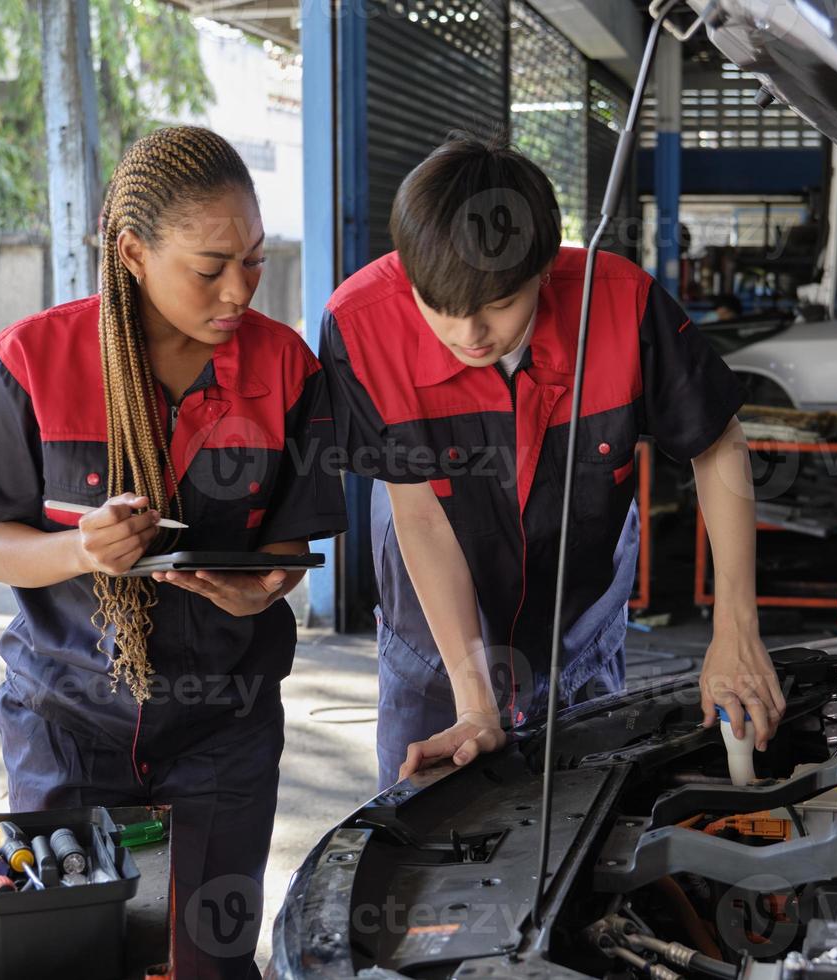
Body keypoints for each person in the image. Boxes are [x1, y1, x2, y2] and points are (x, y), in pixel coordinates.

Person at [0, 126, 346, 979]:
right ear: (134, 252)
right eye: (211, 265)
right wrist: (80, 549)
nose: (239, 290)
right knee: (70, 946)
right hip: (66, 719)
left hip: (225, 719)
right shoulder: (30, 361)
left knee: (209, 955)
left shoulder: (286, 367)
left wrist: (269, 583)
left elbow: (292, 537)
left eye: (254, 261)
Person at [320, 131, 785, 789]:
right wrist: (475, 705)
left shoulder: (621, 304)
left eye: (498, 305)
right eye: (439, 308)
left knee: (588, 820)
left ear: (542, 267)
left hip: (580, 626)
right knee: (427, 830)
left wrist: (736, 629)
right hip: (434, 636)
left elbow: (717, 442)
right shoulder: (360, 325)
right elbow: (419, 513)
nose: (467, 335)